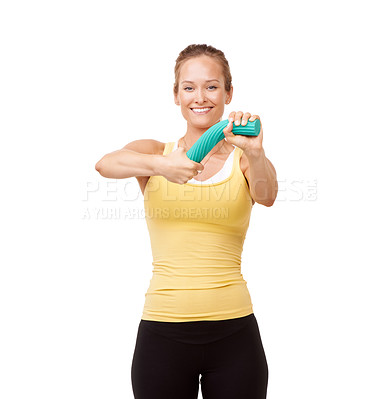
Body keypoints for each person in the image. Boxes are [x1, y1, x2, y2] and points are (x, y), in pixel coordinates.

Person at [95, 43, 278, 399]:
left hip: (234, 332)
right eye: (189, 87)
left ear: (228, 93)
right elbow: (105, 164)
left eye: (212, 86)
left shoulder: (244, 158)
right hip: (162, 332)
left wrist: (256, 151)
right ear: (176, 95)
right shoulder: (154, 152)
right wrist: (163, 166)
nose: (200, 97)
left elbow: (267, 195)